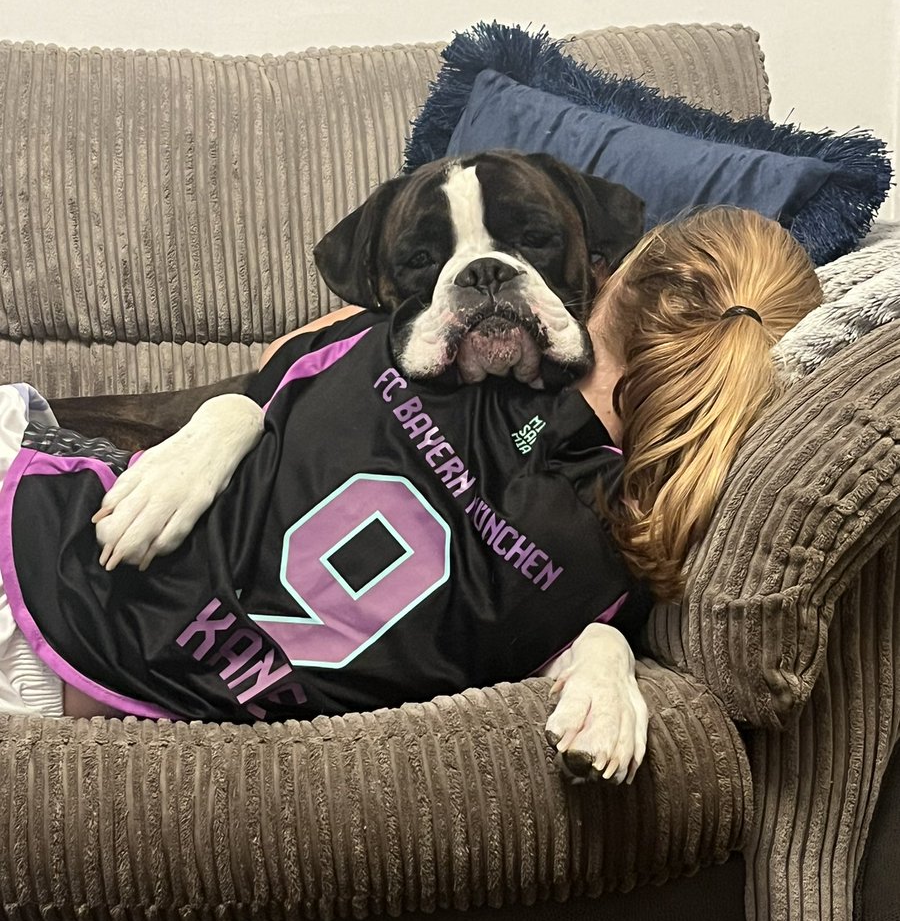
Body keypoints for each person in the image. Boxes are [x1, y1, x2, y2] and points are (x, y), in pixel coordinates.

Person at [0, 206, 822, 733]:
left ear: (620, 271)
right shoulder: (633, 551)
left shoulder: (438, 334)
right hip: (96, 665)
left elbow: (285, 364)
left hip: (46, 556)